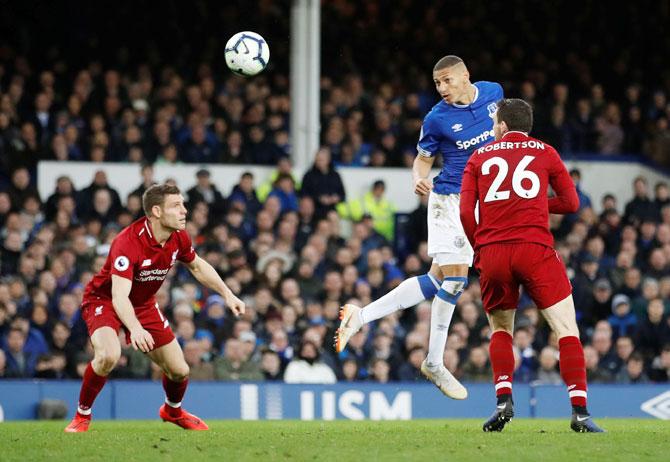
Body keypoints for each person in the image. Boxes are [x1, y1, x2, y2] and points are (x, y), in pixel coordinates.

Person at [336, 55, 503, 400]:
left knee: (436, 281)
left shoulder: (493, 93)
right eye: (437, 83)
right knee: (456, 281)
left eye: (447, 81)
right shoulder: (437, 118)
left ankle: (360, 316)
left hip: (480, 204)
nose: (441, 88)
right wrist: (418, 179)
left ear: (465, 76)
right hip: (449, 200)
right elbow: (423, 160)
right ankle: (434, 361)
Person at [459, 98, 604, 432]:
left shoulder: (479, 156)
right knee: (566, 329)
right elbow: (571, 202)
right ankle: (580, 412)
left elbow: (467, 212)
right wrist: (536, 203)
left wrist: (479, 246)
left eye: (495, 124)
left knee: (500, 329)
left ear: (503, 126)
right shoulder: (546, 152)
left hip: (493, 251)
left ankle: (503, 402)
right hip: (534, 249)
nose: (493, 129)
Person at [64, 183, 245, 432]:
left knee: (180, 370)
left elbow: (197, 266)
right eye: (177, 206)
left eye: (183, 204)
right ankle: (82, 415)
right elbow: (118, 296)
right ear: (157, 212)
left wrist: (228, 294)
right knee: (108, 356)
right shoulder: (127, 242)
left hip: (143, 303)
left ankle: (172, 411)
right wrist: (135, 328)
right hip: (104, 300)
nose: (184, 211)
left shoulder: (179, 236)